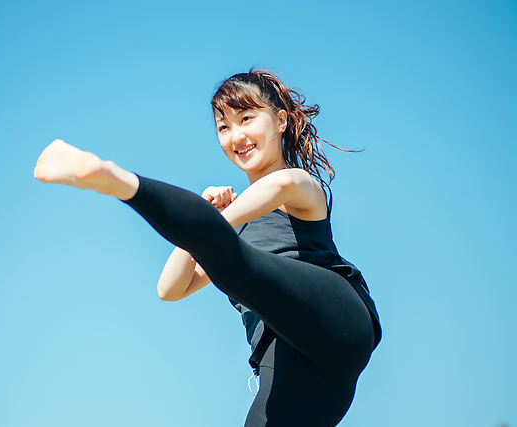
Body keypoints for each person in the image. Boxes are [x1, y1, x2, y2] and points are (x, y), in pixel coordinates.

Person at [34, 70, 381, 427]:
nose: (237, 135)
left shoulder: (299, 187)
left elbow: (282, 184)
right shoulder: (231, 230)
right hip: (284, 364)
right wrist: (203, 224)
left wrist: (213, 222)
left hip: (336, 322)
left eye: (246, 118)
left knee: (241, 268)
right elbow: (169, 289)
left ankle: (120, 182)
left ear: (279, 121)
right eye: (224, 127)